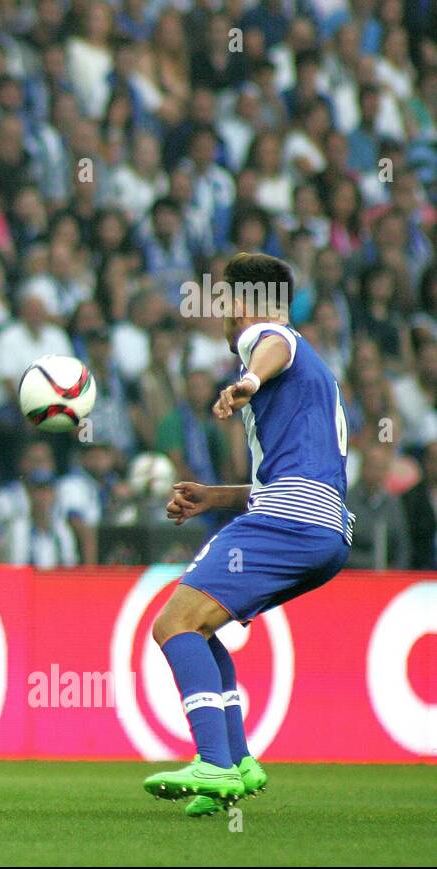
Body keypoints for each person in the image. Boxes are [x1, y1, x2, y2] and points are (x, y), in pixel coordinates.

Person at [146, 253, 353, 816]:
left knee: (172, 624)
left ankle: (211, 761)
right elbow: (295, 470)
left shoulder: (266, 337)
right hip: (324, 527)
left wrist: (250, 377)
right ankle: (236, 765)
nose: (218, 311)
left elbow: (273, 345)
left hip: (289, 519)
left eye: (222, 298)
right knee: (203, 630)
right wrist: (215, 497)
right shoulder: (315, 368)